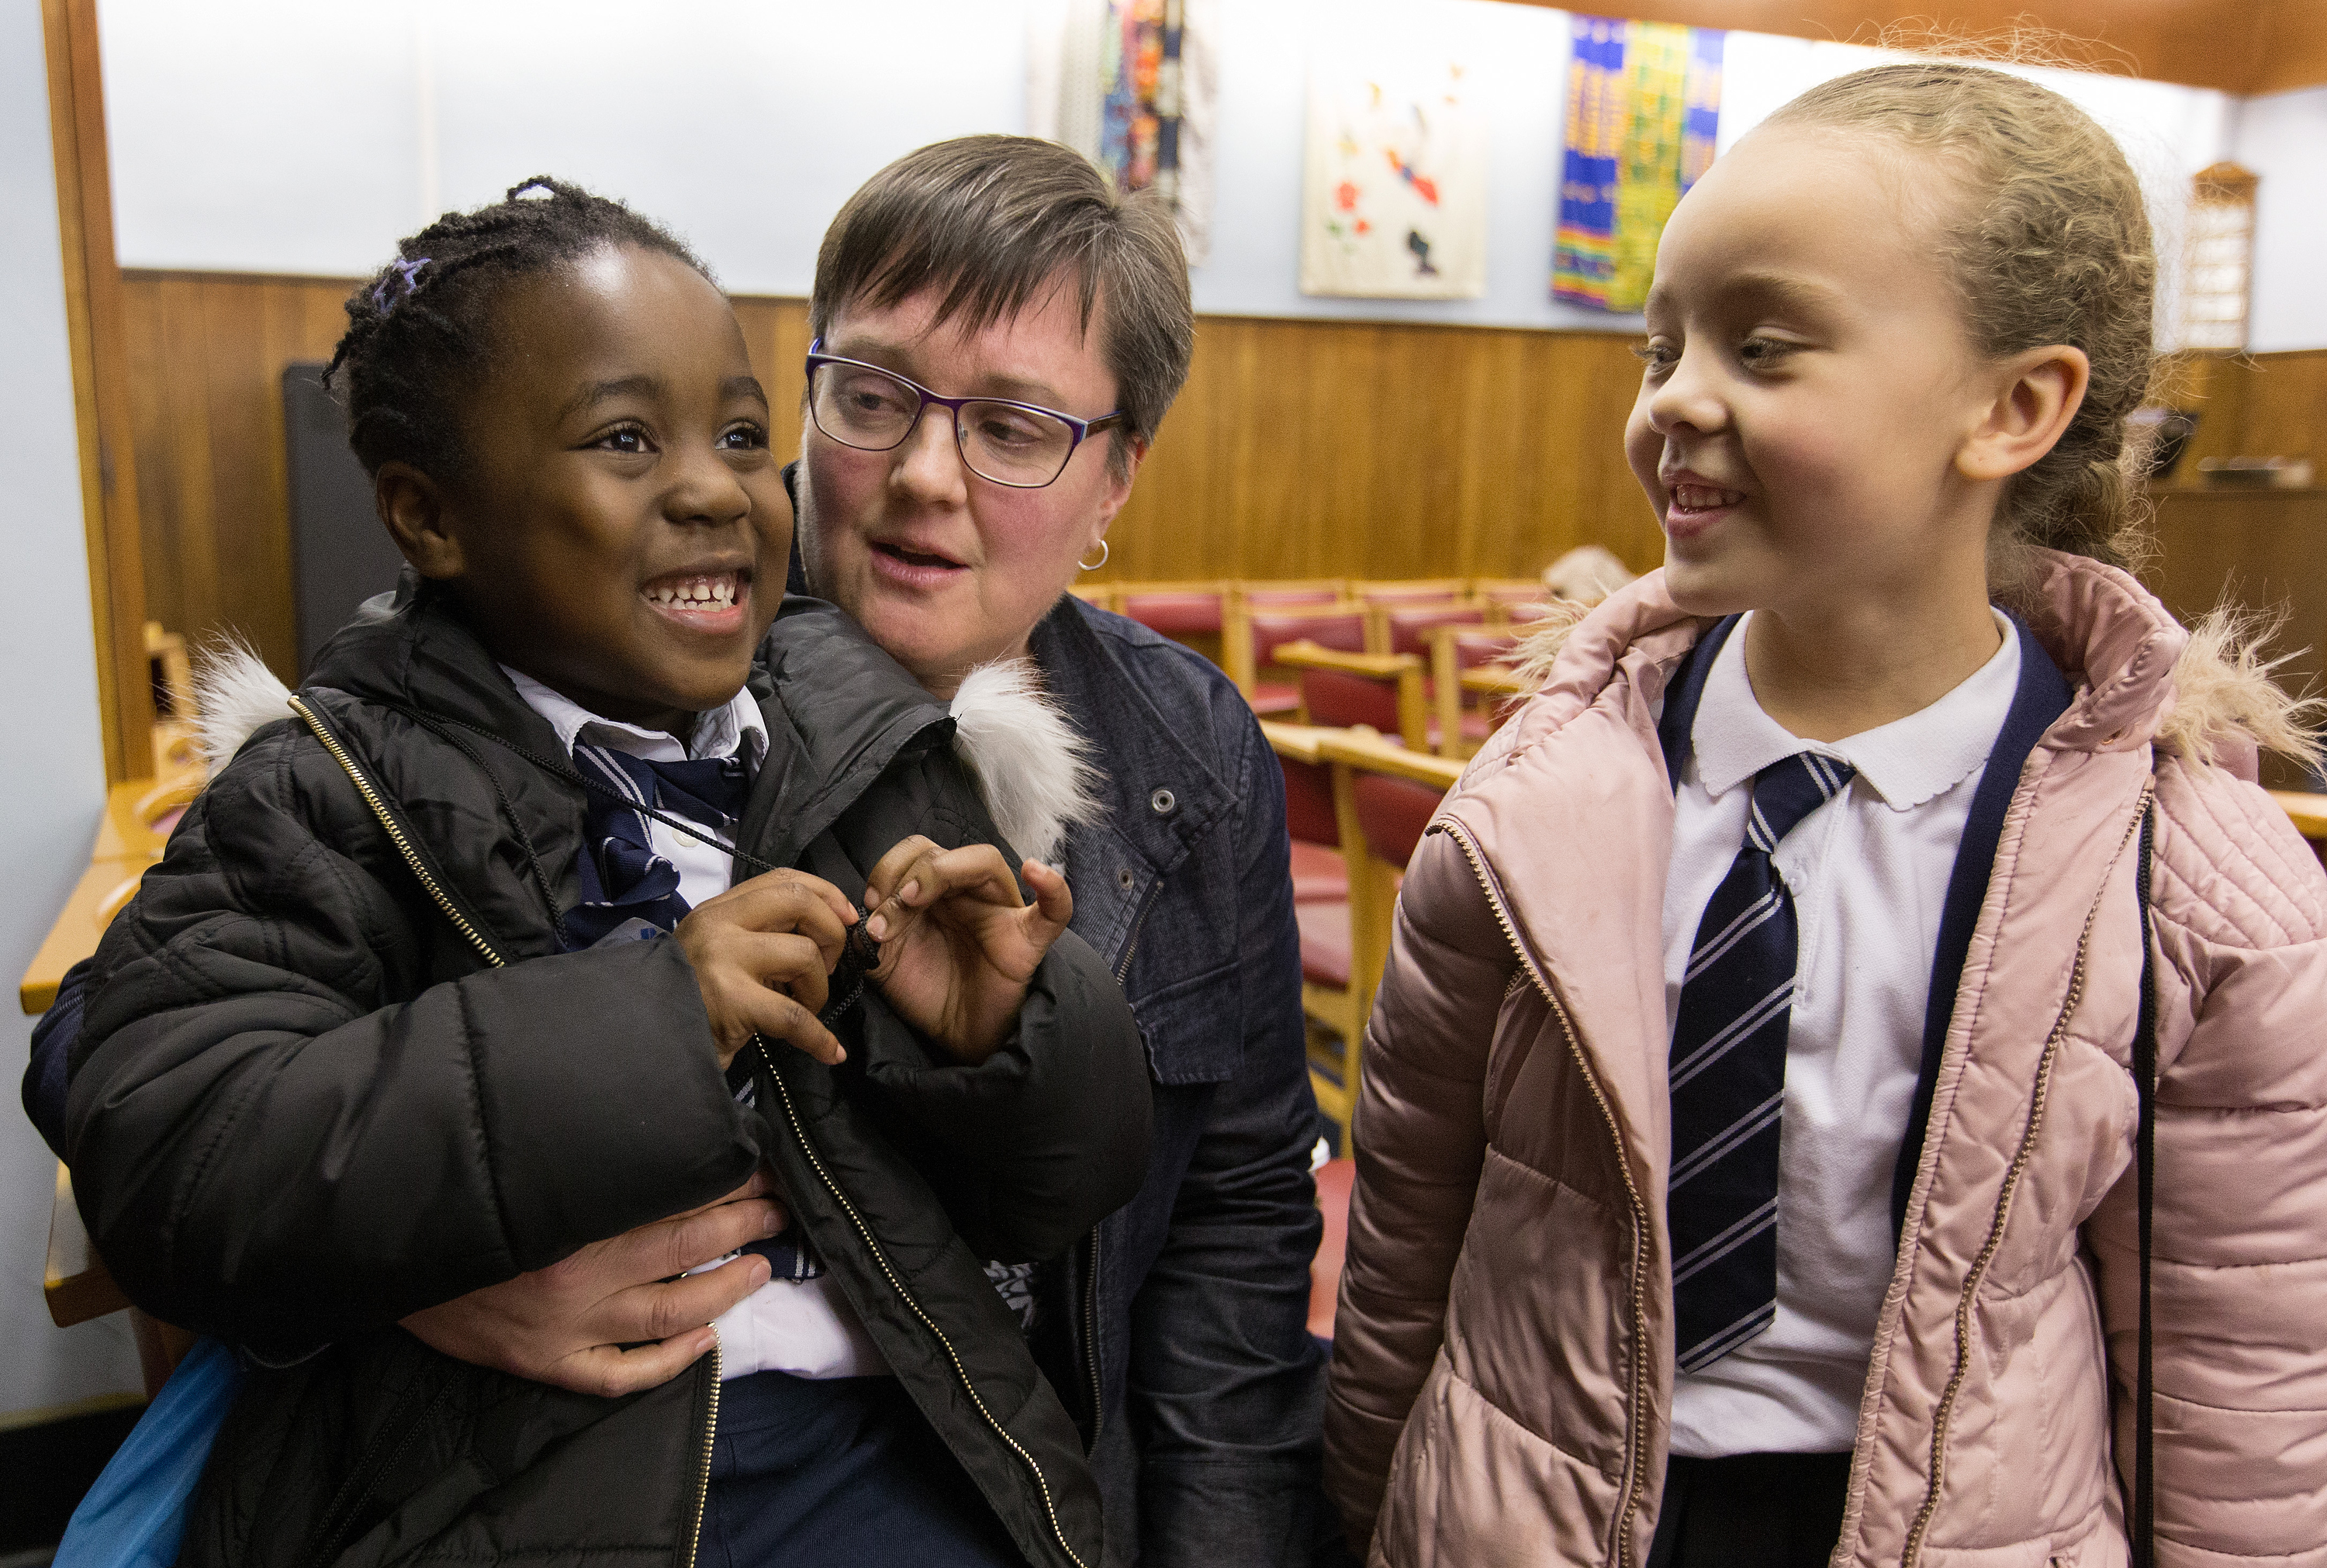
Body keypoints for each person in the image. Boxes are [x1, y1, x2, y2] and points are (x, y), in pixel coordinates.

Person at [60, 178, 1153, 1568]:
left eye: (742, 435)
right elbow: (177, 1150)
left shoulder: (867, 740)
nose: (710, 486)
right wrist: (656, 1020)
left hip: (890, 1451)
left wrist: (1014, 1033)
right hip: (525, 1485)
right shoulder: (331, 785)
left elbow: (1060, 1190)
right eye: (627, 439)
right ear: (428, 516)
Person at [1323, 61, 2327, 1568]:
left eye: (1765, 346)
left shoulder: (2190, 887)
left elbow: (2235, 1380)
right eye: (1661, 345)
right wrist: (1364, 1518)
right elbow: (1408, 1239)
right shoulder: (1535, 812)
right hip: (1538, 1513)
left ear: (2014, 407)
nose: (1675, 399)